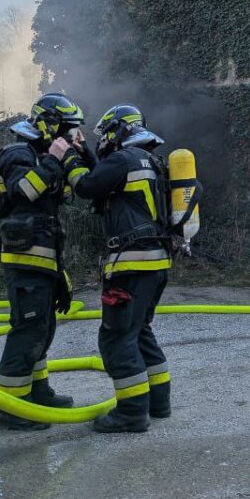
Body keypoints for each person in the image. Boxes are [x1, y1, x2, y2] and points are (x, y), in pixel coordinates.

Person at [61, 104, 172, 433]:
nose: (104, 140)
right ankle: (158, 402)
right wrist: (86, 155)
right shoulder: (149, 159)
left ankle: (131, 413)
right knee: (140, 332)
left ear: (119, 130)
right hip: (156, 262)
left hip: (130, 263)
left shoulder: (122, 159)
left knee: (117, 338)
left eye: (108, 133)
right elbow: (107, 181)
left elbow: (86, 187)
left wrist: (68, 157)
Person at [0, 93, 83, 431]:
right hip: (25, 259)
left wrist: (72, 155)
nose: (71, 136)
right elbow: (24, 192)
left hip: (43, 259)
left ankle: (38, 391)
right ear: (51, 124)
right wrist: (53, 160)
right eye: (69, 129)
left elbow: (66, 195)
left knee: (43, 328)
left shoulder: (41, 154)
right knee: (27, 330)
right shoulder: (18, 153)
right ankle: (13, 408)